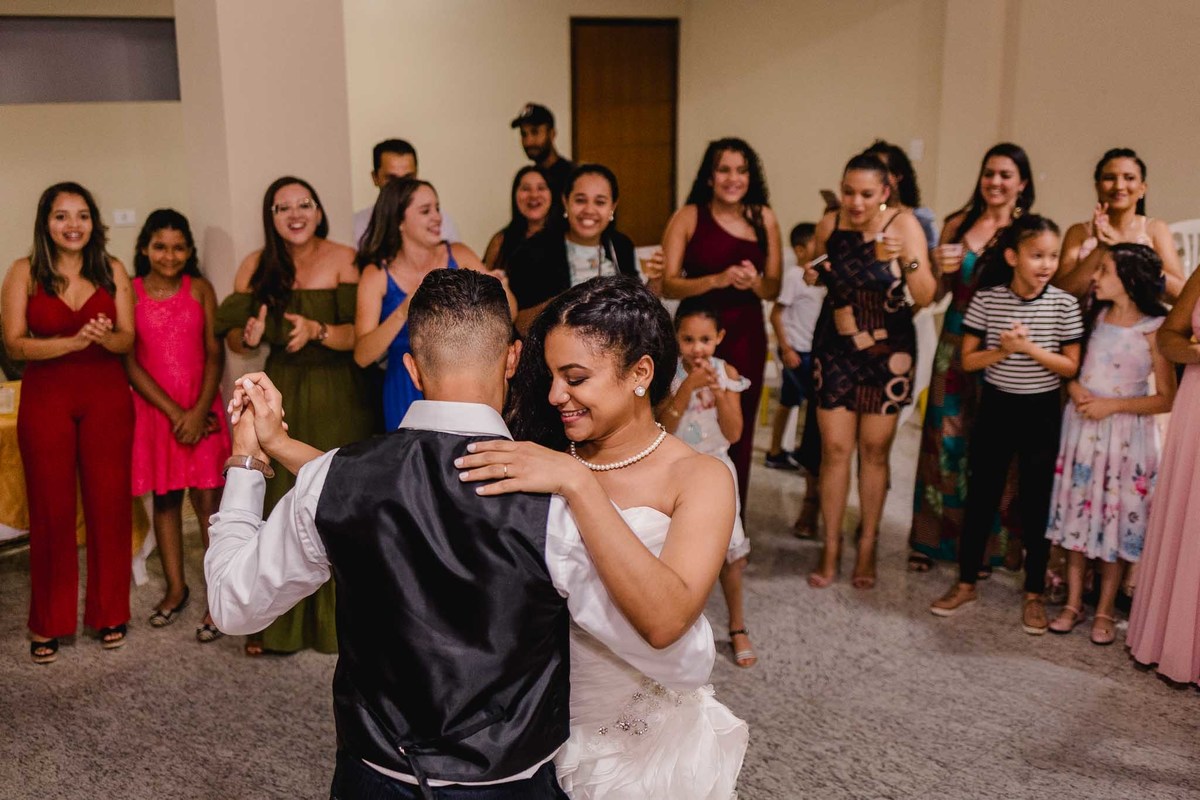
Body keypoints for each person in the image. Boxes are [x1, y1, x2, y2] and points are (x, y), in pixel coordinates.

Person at [206, 269, 723, 798]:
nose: (555, 395)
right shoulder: (553, 504)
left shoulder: (332, 482)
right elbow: (682, 662)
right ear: (513, 360)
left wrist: (247, 461)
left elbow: (233, 604)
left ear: (411, 369)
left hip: (369, 778)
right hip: (506, 784)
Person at [474, 274, 748, 798]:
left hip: (640, 751)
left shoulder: (700, 477)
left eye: (575, 378)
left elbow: (667, 619)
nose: (555, 395)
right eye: (551, 376)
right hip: (523, 730)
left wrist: (578, 485)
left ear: (640, 372)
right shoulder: (539, 453)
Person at [215, 175, 376, 656]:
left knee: (334, 495)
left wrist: (318, 329)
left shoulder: (345, 258)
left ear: (318, 211)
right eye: (283, 208)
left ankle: (339, 626)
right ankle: (276, 626)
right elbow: (235, 339)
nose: (295, 214)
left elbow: (360, 337)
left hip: (340, 391)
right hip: (280, 388)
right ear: (271, 217)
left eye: (304, 204)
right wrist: (249, 334)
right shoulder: (255, 265)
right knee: (281, 496)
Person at [930, 215, 1083, 633]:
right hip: (996, 408)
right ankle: (965, 583)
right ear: (1013, 257)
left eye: (1053, 256)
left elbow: (1070, 366)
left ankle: (1033, 593)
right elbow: (968, 360)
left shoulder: (1064, 304)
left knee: (1036, 501)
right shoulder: (988, 299)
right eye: (1037, 255)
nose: (1047, 264)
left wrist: (1028, 348)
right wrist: (1003, 351)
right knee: (982, 495)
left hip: (1041, 412)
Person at [2, 182, 135, 663]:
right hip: (46, 397)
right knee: (50, 512)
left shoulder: (112, 269)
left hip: (106, 397)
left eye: (82, 215)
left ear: (94, 222)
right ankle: (48, 621)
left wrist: (105, 338)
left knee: (109, 507)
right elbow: (14, 344)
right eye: (62, 216)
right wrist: (74, 342)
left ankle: (110, 612)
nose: (73, 225)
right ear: (46, 222)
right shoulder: (23, 272)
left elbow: (127, 339)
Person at [805, 154, 936, 589]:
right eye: (849, 192)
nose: (855, 202)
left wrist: (906, 260)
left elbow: (926, 295)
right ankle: (831, 547)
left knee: (875, 451)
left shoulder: (904, 224)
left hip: (888, 350)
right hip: (835, 345)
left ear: (884, 192)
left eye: (866, 194)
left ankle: (867, 546)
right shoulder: (830, 223)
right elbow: (816, 272)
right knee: (834, 450)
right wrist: (812, 273)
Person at [909, 143, 1035, 573]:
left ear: (1022, 183)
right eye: (989, 173)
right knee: (942, 441)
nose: (995, 182)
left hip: (1002, 349)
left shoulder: (1026, 232)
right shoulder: (957, 224)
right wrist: (934, 266)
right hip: (954, 344)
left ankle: (984, 548)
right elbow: (935, 295)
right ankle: (930, 541)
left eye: (1005, 175)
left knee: (994, 449)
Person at [1045, 244, 1174, 645]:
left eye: (1104, 270)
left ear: (1130, 280)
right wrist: (1075, 388)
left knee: (1114, 520)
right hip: (1084, 432)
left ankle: (1104, 607)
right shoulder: (1093, 316)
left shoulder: (1154, 329)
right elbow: (1072, 368)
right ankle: (1073, 602)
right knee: (1078, 515)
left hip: (1124, 439)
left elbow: (1166, 397)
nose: (1094, 277)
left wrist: (1112, 406)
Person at [126, 209, 230, 642]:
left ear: (189, 251)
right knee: (166, 502)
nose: (169, 256)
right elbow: (129, 362)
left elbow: (214, 354)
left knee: (209, 506)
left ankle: (218, 600)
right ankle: (175, 588)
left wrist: (198, 410)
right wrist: (175, 414)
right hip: (157, 414)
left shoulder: (200, 289)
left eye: (179, 248)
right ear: (145, 248)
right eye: (160, 247)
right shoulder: (129, 291)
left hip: (202, 409)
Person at [662, 137, 782, 513]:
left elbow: (773, 287)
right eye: (724, 169)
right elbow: (668, 283)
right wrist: (715, 279)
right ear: (710, 176)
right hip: (693, 332)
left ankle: (731, 515)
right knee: (683, 416)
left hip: (744, 332)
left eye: (741, 170)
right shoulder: (689, 216)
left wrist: (755, 283)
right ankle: (680, 507)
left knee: (736, 428)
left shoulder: (764, 218)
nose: (733, 178)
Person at [354, 177, 497, 431]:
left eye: (437, 208)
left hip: (463, 380)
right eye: (425, 211)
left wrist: (501, 288)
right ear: (399, 221)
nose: (437, 217)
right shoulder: (376, 275)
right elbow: (362, 356)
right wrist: (403, 311)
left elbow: (505, 314)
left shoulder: (459, 254)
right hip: (404, 386)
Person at [660, 298, 756, 668]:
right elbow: (664, 427)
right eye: (688, 339)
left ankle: (737, 625)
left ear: (719, 337)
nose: (697, 349)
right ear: (676, 338)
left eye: (705, 340)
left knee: (732, 554)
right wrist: (688, 388)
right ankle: (674, 623)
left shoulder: (726, 372)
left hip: (716, 468)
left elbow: (734, 433)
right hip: (676, 467)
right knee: (672, 550)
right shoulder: (667, 372)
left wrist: (719, 392)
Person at [1126, 264, 1200, 685]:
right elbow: (1170, 339)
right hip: (1197, 407)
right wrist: (1196, 353)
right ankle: (1174, 644)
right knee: (1191, 520)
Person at [505, 164, 643, 334]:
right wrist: (566, 300)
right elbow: (520, 325)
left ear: (613, 206)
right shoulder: (532, 251)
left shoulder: (622, 246)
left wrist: (655, 283)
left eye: (600, 202)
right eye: (580, 200)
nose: (589, 210)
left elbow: (637, 310)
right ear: (566, 202)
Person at [1055, 148, 1185, 302]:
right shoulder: (1078, 232)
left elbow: (1180, 294)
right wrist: (1100, 249)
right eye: (1109, 178)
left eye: (1129, 178)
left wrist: (1131, 256)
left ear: (1142, 188)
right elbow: (1060, 296)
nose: (1119, 186)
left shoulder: (1155, 229)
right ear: (1097, 186)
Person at [765, 223, 824, 537]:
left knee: (789, 400)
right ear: (801, 250)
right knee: (810, 403)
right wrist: (786, 348)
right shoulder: (794, 276)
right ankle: (801, 452)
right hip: (798, 351)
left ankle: (775, 452)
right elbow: (776, 313)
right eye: (816, 243)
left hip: (812, 350)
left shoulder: (822, 277)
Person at [352, 138, 463, 247]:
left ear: (416, 176)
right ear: (375, 178)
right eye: (392, 179)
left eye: (408, 178)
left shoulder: (441, 224)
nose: (401, 185)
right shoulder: (356, 227)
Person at [863, 139, 937, 251]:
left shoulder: (919, 218)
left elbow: (931, 259)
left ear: (898, 176)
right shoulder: (856, 216)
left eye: (880, 171)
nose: (872, 178)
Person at [482, 166, 553, 271]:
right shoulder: (501, 240)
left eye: (541, 188)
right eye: (526, 189)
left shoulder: (566, 238)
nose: (534, 195)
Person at [512, 103, 575, 200]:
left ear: (552, 134)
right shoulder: (526, 180)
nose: (528, 141)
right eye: (524, 134)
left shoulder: (573, 177)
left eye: (535, 132)